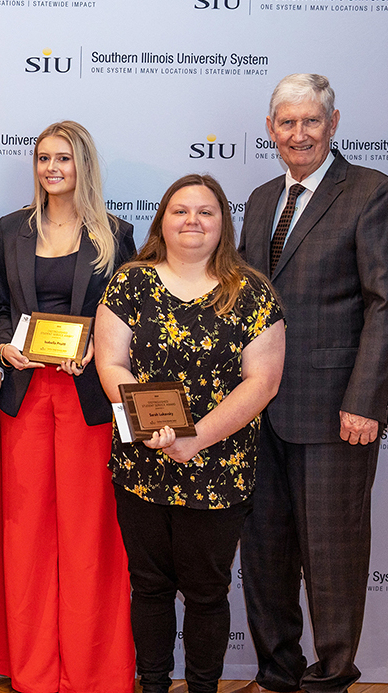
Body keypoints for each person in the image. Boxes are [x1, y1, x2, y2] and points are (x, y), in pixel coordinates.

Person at [235, 74, 388, 693]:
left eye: (311, 121)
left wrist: (365, 402)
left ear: (334, 125)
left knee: (333, 557)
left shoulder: (371, 192)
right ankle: (277, 671)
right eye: (287, 122)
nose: (299, 134)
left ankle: (334, 674)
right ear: (271, 130)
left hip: (337, 414)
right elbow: (243, 302)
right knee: (264, 555)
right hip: (257, 412)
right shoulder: (259, 200)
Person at [94, 174, 285, 693]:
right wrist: (148, 422)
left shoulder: (251, 292)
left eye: (206, 212)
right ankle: (152, 685)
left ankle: (203, 688)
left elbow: (263, 381)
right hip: (143, 462)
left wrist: (195, 438)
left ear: (224, 222)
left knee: (206, 592)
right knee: (150, 587)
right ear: (163, 220)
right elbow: (110, 361)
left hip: (219, 467)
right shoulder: (130, 283)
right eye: (180, 211)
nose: (192, 222)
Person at [0, 120, 136, 693]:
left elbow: (127, 313)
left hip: (89, 399)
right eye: (44, 158)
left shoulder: (116, 234)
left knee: (89, 533)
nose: (52, 168)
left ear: (83, 166)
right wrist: (3, 342)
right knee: (25, 534)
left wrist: (98, 346)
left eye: (64, 159)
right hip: (24, 398)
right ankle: (32, 667)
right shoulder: (14, 229)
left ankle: (93, 669)